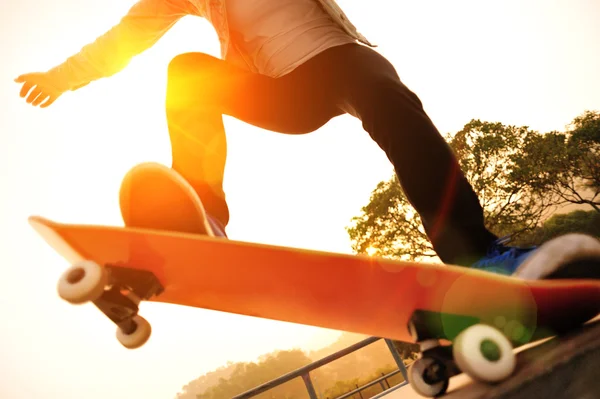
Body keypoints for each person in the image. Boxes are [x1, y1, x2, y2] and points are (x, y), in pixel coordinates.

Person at [14, 0, 598, 276]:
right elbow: (123, 39)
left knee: (389, 101)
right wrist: (63, 77)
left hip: (342, 61)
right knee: (185, 72)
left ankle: (477, 254)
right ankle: (204, 217)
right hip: (279, 91)